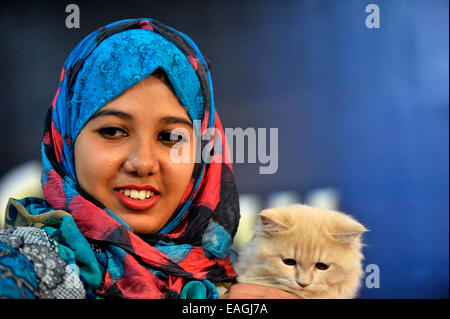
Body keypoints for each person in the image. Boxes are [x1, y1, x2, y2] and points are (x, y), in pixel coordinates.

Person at [0, 18, 299, 299]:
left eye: (170, 138)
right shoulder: (24, 265)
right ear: (66, 139)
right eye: (113, 131)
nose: (143, 163)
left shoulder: (246, 285)